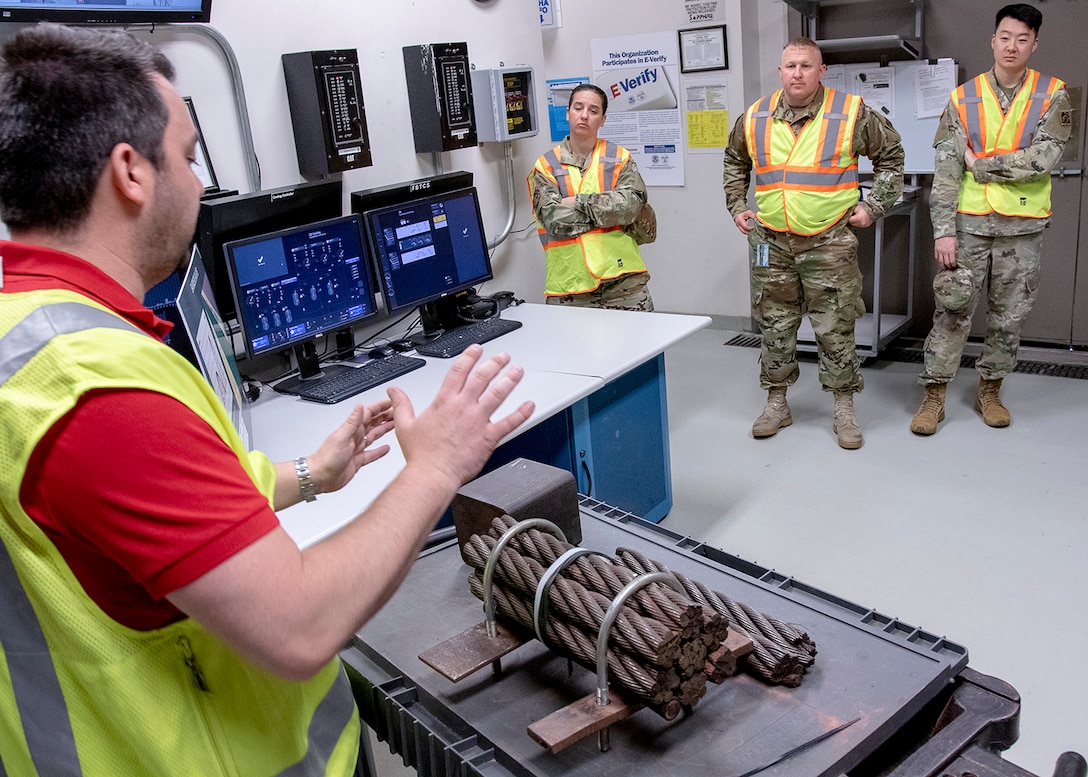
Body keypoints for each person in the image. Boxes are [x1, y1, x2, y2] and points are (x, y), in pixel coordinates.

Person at [0, 24, 534, 776]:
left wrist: (312, 473)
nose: (198, 183)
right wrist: (435, 466)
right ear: (129, 171)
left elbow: (145, 514)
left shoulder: (27, 332)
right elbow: (299, 624)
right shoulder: (101, 390)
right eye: (187, 157)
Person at [722, 37, 904, 450]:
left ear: (821, 71)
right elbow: (735, 160)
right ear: (780, 71)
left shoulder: (851, 113)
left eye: (806, 66)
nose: (798, 74)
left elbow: (891, 156)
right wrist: (736, 205)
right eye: (790, 66)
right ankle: (776, 403)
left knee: (835, 327)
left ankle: (844, 409)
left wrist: (874, 206)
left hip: (829, 242)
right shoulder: (755, 116)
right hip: (771, 241)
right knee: (775, 326)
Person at [910, 4, 1071, 435]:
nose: (1011, 46)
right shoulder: (963, 98)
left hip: (1023, 230)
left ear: (1034, 43)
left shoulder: (1053, 93)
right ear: (992, 39)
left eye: (1022, 38)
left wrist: (980, 165)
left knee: (1008, 317)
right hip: (969, 227)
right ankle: (934, 395)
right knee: (952, 310)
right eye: (1004, 36)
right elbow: (946, 171)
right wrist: (943, 232)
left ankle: (990, 390)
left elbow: (1043, 158)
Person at [527, 83, 656, 310]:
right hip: (569, 286)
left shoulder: (619, 158)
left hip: (624, 282)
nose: (584, 116)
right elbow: (554, 222)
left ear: (603, 119)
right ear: (568, 113)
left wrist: (579, 202)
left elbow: (632, 208)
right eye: (578, 108)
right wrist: (611, 214)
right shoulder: (546, 166)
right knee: (571, 347)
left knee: (640, 344)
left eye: (593, 111)